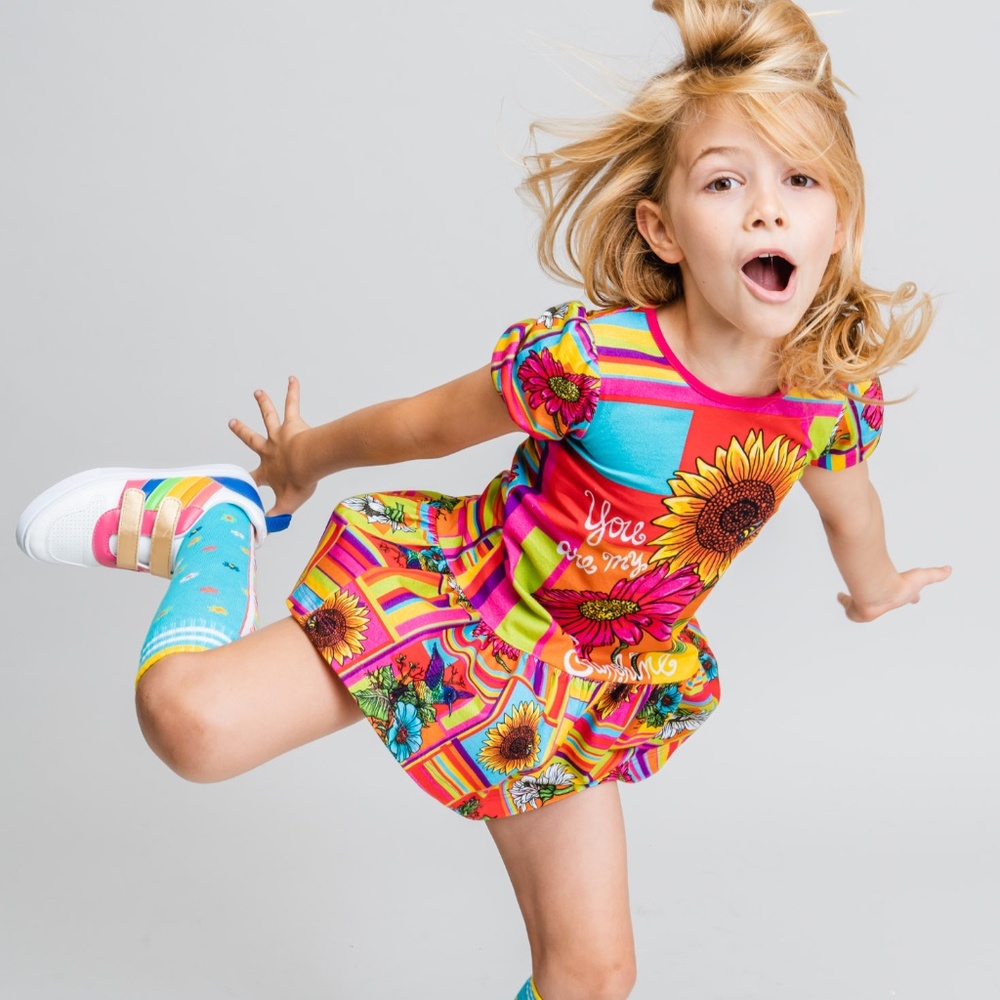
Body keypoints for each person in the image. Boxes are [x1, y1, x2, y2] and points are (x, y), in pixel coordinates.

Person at [13, 1, 951, 998]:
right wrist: (301, 460)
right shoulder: (592, 363)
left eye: (801, 180)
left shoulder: (821, 401)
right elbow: (423, 426)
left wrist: (877, 587)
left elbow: (849, 509)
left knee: (592, 977)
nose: (768, 211)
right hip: (459, 607)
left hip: (574, 687)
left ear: (839, 221)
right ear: (663, 228)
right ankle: (211, 526)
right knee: (188, 726)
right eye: (726, 181)